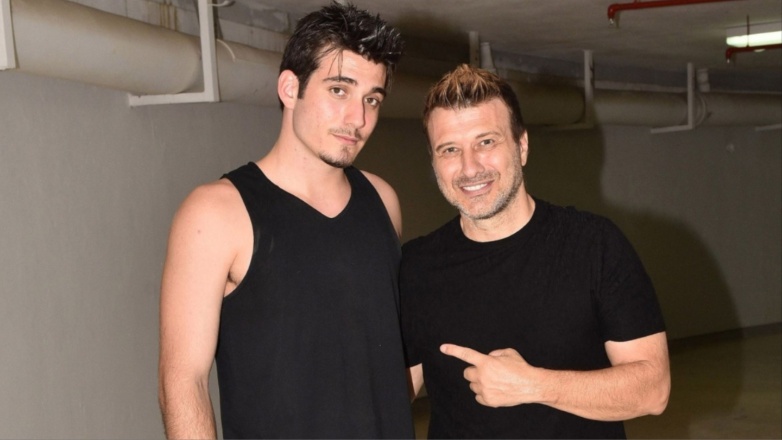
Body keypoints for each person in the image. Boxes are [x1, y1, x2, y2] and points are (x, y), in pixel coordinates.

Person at [158, 2, 413, 438]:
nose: (358, 119)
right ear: (290, 88)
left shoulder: (382, 200)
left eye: (371, 99)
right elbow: (182, 383)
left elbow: (384, 363)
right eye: (339, 90)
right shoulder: (216, 212)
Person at [401, 64, 670, 439]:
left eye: (486, 142)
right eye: (450, 150)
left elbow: (652, 391)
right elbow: (391, 394)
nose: (469, 167)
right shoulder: (416, 266)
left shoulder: (594, 245)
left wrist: (533, 385)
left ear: (522, 146)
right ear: (433, 162)